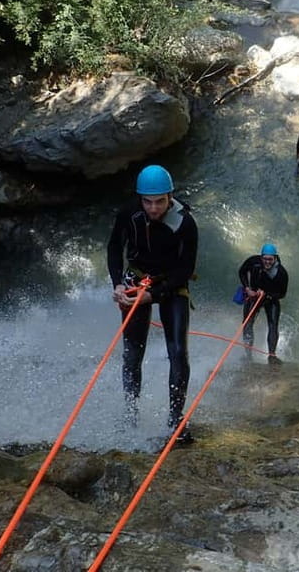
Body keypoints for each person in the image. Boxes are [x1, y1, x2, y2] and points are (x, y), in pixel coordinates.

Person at [107, 164, 198, 442]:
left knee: (178, 351)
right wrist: (118, 284)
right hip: (135, 279)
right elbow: (114, 247)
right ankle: (130, 415)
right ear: (140, 198)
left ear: (170, 196)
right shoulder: (128, 213)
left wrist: (154, 295)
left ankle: (175, 420)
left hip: (171, 283)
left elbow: (186, 269)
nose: (154, 208)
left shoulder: (184, 222)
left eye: (160, 201)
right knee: (133, 353)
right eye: (147, 201)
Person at [238, 243, 289, 363]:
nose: (267, 262)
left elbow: (282, 294)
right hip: (254, 296)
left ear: (275, 258)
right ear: (261, 258)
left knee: (273, 324)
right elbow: (242, 271)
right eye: (265, 259)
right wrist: (247, 288)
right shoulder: (254, 261)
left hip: (271, 299)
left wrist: (267, 295)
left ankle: (272, 355)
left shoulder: (281, 273)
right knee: (247, 323)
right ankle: (248, 355)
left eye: (270, 259)